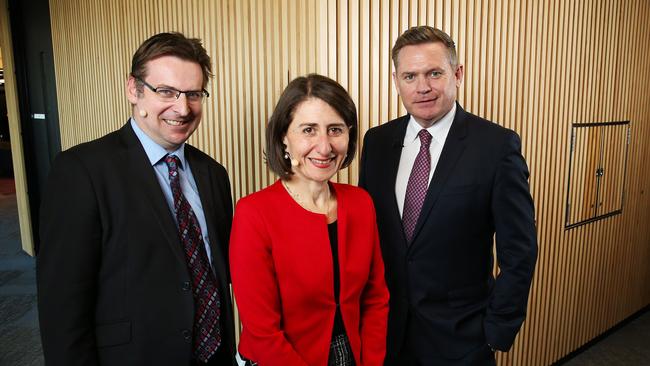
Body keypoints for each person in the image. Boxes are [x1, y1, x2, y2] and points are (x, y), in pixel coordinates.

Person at [37, 32, 236, 366]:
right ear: (134, 89)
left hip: (213, 356)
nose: (183, 108)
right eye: (167, 92)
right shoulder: (81, 171)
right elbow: (62, 306)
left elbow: (218, 273)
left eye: (193, 94)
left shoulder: (213, 173)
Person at [359, 26, 538, 365]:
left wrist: (497, 329)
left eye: (434, 73)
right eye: (410, 76)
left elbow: (520, 250)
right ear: (396, 80)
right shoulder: (377, 142)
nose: (422, 87)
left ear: (457, 74)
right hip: (386, 335)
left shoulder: (497, 146)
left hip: (462, 340)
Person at [230, 74, 389, 366]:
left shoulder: (361, 203)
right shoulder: (253, 213)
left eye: (335, 130)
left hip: (352, 353)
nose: (325, 146)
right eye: (308, 130)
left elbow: (376, 298)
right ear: (283, 137)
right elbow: (263, 332)